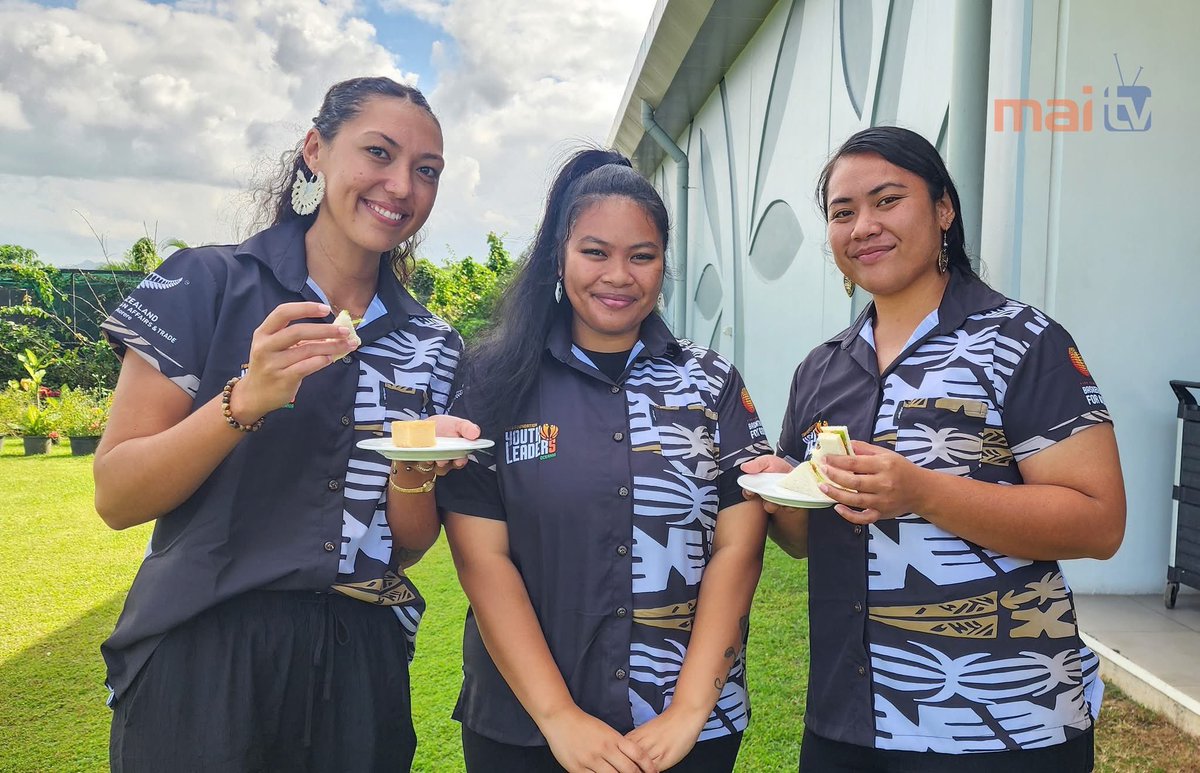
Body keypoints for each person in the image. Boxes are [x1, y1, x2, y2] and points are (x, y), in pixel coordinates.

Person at [93, 76, 476, 771]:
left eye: (426, 171)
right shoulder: (205, 283)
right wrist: (244, 401)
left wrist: (412, 475)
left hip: (360, 655)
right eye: (378, 153)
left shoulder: (432, 344)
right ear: (315, 151)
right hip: (204, 650)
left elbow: (408, 544)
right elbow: (117, 496)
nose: (400, 186)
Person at [740, 126, 1126, 771]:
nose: (863, 225)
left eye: (887, 200)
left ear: (943, 209)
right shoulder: (823, 367)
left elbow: (1099, 522)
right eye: (842, 212)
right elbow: (809, 540)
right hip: (849, 718)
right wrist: (783, 490)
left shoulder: (1022, 341)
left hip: (1003, 721)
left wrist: (921, 491)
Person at [436, 148, 773, 773]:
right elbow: (481, 558)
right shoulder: (493, 382)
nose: (619, 275)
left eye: (641, 256)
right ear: (559, 258)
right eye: (595, 252)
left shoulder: (712, 383)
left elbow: (738, 547)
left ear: (664, 264)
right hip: (525, 730)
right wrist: (559, 716)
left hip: (683, 733)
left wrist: (690, 710)